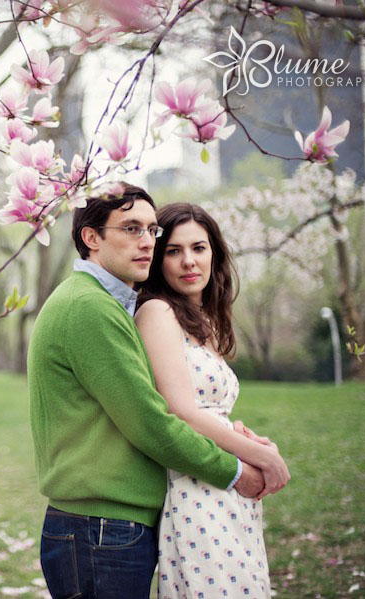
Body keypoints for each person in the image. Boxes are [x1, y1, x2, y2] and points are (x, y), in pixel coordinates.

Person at [27, 184, 266, 599]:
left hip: (109, 525)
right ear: (92, 238)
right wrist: (236, 471)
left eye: (151, 230)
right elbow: (151, 422)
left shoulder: (106, 303)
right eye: (131, 228)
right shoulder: (88, 307)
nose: (146, 242)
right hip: (98, 526)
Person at [135, 202, 290, 598]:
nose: (189, 261)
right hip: (196, 487)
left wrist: (250, 442)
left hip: (227, 485)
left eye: (199, 248)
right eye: (173, 251)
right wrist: (264, 459)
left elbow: (212, 411)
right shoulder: (157, 311)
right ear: (158, 260)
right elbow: (181, 411)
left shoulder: (204, 321)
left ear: (214, 254)